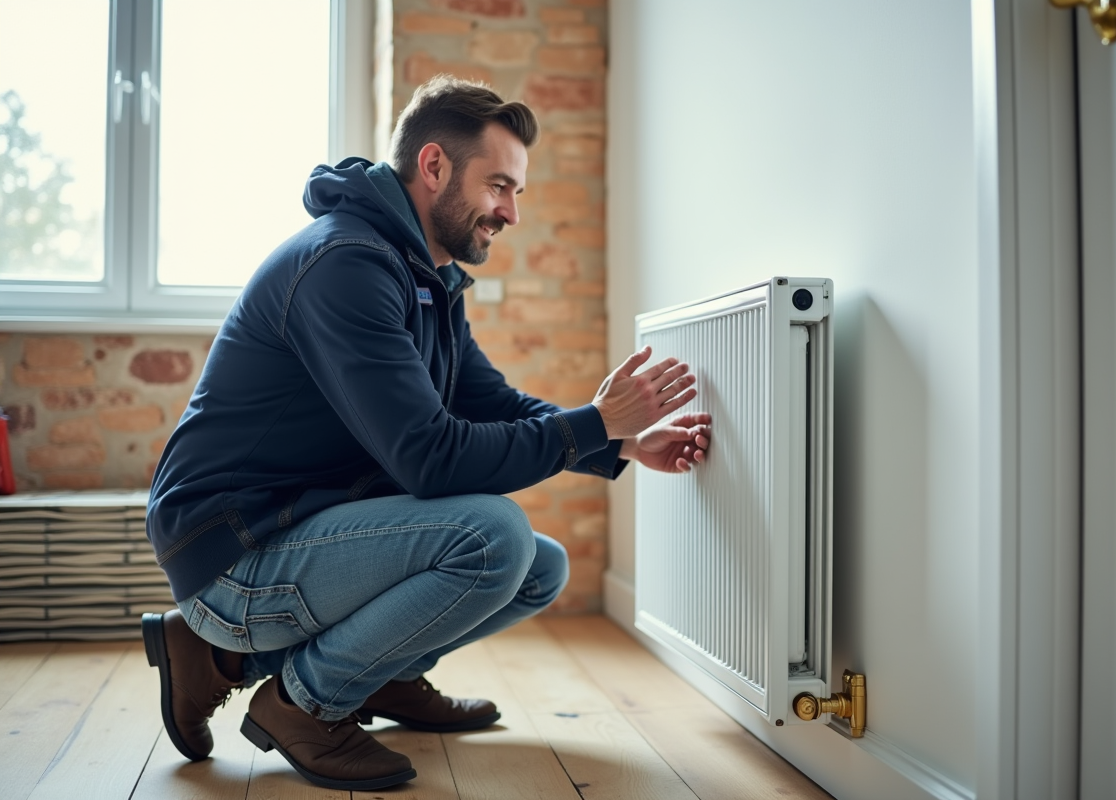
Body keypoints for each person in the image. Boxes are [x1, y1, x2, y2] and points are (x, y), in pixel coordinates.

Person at [140, 75, 711, 792]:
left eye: (518, 193)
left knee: (539, 566)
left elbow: (491, 403)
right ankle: (304, 705)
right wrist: (593, 421)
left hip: (295, 532)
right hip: (234, 555)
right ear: (434, 165)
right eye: (498, 186)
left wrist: (619, 443)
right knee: (492, 536)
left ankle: (367, 676)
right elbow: (431, 461)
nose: (510, 212)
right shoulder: (345, 266)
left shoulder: (425, 277)